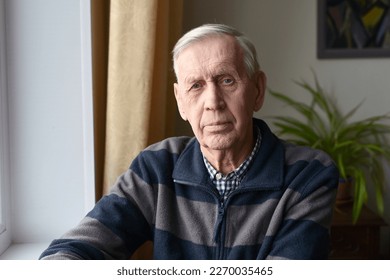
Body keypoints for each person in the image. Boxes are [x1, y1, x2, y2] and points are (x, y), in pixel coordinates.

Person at [39, 23, 339, 260]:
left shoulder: (308, 175)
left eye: (227, 81)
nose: (213, 102)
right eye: (196, 86)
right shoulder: (156, 166)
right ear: (181, 102)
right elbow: (76, 248)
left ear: (258, 90)